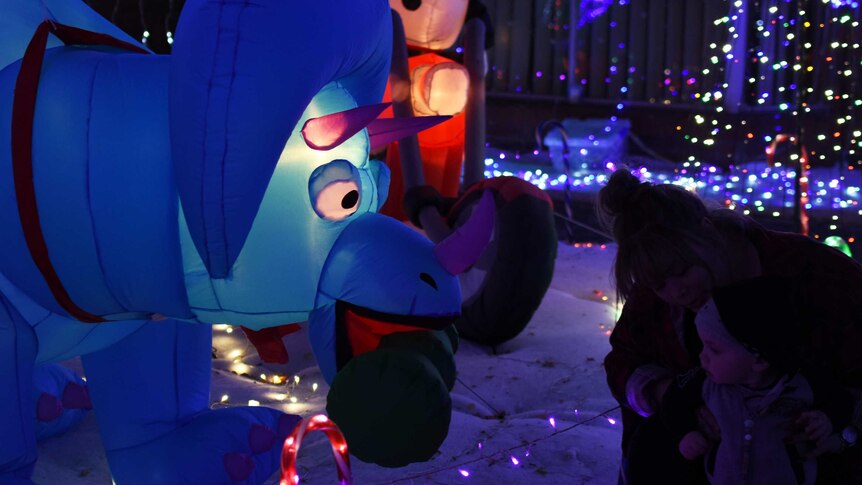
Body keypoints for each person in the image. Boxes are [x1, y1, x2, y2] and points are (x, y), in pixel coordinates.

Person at [596, 168, 862, 484]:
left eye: (682, 271)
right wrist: (675, 399)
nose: (675, 291)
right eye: (659, 283)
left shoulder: (811, 272)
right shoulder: (656, 290)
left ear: (707, 232)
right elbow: (624, 361)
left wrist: (839, 429)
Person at [661, 276, 832, 484]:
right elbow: (672, 402)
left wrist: (826, 419)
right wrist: (685, 432)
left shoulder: (803, 385)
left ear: (758, 360)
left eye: (714, 349)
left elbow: (841, 400)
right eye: (703, 345)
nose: (702, 356)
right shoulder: (704, 382)